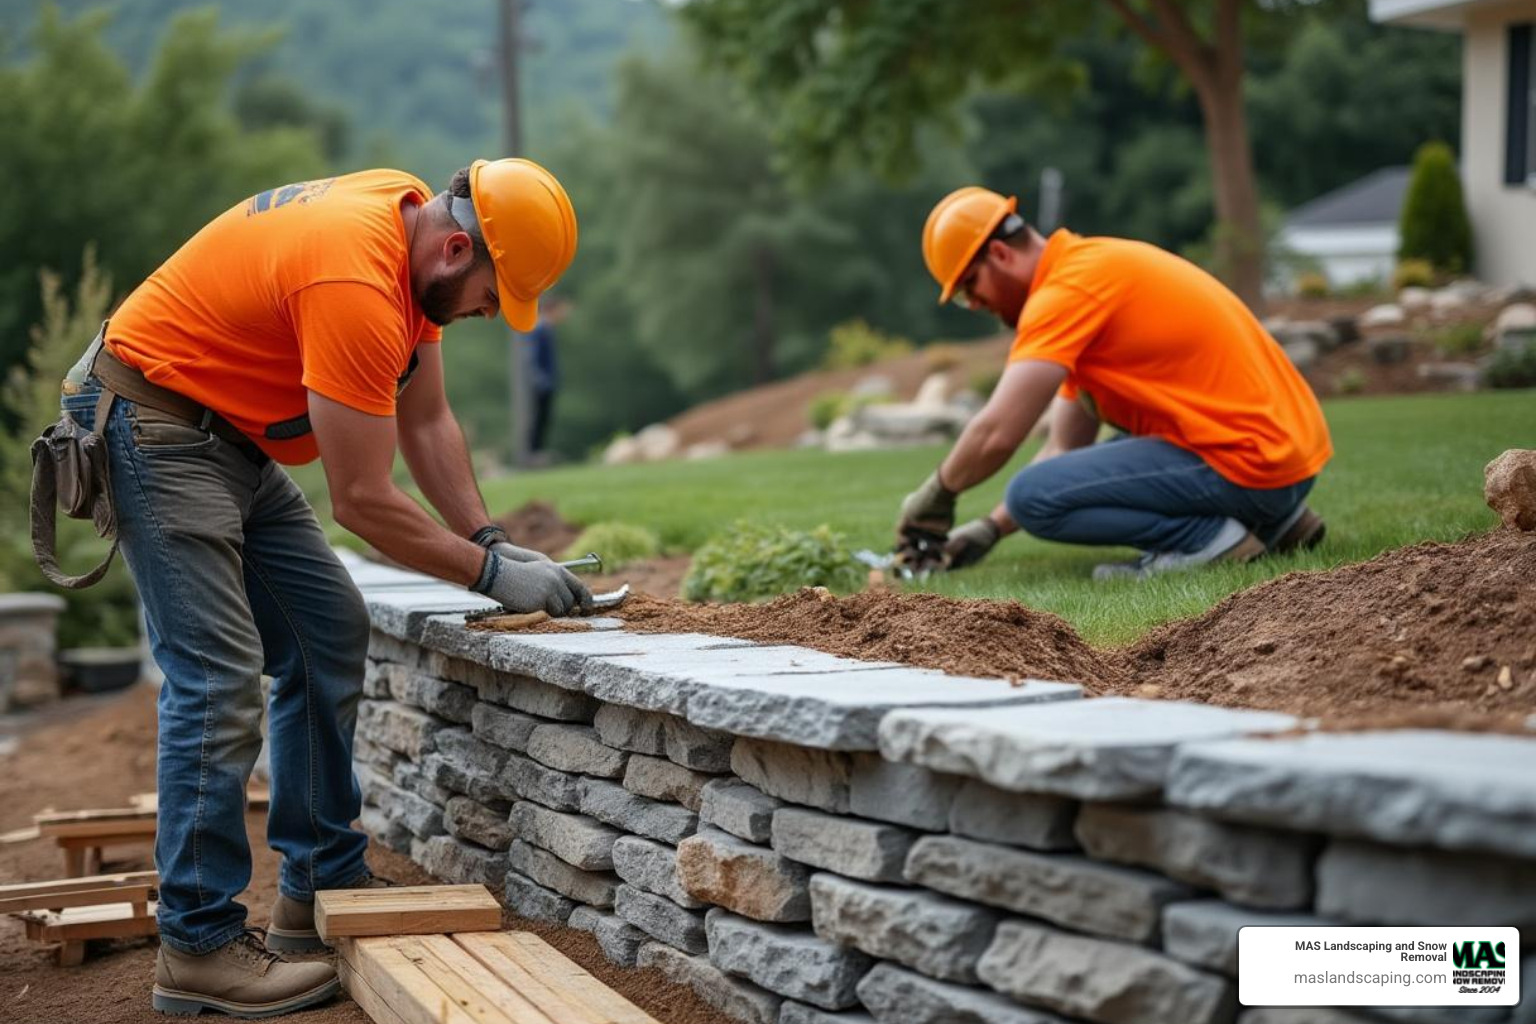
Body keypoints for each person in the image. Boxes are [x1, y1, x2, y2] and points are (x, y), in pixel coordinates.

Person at [54, 159, 591, 1017]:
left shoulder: (409, 232)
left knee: (327, 630)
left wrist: (491, 540)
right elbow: (365, 503)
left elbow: (426, 419)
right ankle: (197, 948)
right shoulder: (356, 278)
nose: (493, 314)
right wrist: (490, 576)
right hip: (153, 425)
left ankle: (319, 888)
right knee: (217, 679)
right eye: (496, 296)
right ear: (459, 249)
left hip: (221, 434)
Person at [896, 186, 1332, 580]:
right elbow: (1063, 449)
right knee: (1042, 488)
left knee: (1031, 496)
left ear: (1000, 254)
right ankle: (1279, 524)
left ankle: (1209, 542)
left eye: (969, 285)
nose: (972, 304)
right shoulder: (1088, 270)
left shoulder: (1065, 293)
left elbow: (996, 433)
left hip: (1251, 462)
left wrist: (937, 495)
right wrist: (991, 529)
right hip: (1282, 458)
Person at [525, 293, 570, 461]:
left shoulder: (547, 329)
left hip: (547, 381)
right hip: (542, 382)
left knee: (544, 417)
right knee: (539, 417)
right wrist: (541, 379)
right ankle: (534, 452)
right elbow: (534, 357)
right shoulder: (540, 329)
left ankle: (538, 450)